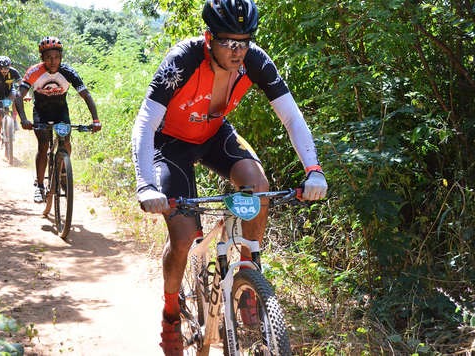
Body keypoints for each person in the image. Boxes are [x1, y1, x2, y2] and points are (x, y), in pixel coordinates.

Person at [131, 0, 328, 354]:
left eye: (245, 41)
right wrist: (145, 183)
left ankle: (249, 273)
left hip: (215, 135)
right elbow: (145, 124)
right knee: (182, 236)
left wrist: (313, 170)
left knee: (259, 186)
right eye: (229, 42)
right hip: (170, 144)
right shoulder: (183, 59)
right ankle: (171, 313)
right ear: (209, 38)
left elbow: (292, 117)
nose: (238, 51)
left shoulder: (255, 60)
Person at [14, 36, 102, 203]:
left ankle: (63, 172)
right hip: (41, 111)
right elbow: (19, 96)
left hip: (61, 110)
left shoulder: (68, 72)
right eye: (48, 58)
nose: (53, 61)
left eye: (56, 57)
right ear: (42, 59)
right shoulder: (34, 72)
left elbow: (86, 95)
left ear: (61, 57)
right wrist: (24, 119)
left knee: (66, 141)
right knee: (43, 144)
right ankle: (39, 186)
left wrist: (95, 119)